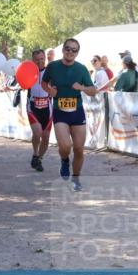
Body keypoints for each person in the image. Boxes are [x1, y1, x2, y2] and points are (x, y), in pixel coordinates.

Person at [41, 37, 99, 191]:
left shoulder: (81, 69)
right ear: (63, 50)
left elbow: (93, 91)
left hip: (77, 111)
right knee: (65, 146)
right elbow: (43, 82)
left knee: (79, 149)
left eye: (74, 50)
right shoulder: (53, 66)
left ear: (77, 53)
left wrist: (82, 88)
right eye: (68, 48)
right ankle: (65, 160)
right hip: (60, 111)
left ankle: (76, 178)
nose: (70, 52)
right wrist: (50, 91)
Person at [26, 49, 53, 172]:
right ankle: (35, 152)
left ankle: (38, 159)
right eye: (37, 60)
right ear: (33, 60)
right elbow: (19, 82)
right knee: (37, 133)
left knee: (46, 138)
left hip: (47, 107)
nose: (40, 61)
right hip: (33, 107)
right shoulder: (29, 72)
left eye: (42, 59)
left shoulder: (50, 72)